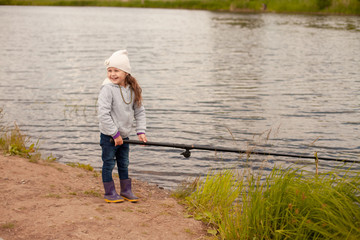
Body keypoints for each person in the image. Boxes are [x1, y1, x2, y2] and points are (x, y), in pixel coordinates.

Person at [98, 50, 147, 203]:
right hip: (109, 137)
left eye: (116, 70)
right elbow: (103, 115)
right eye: (109, 70)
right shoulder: (107, 89)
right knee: (109, 163)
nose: (112, 74)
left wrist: (141, 131)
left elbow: (139, 111)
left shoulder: (133, 90)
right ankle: (109, 192)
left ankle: (126, 190)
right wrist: (115, 134)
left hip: (124, 135)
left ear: (125, 72)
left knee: (124, 163)